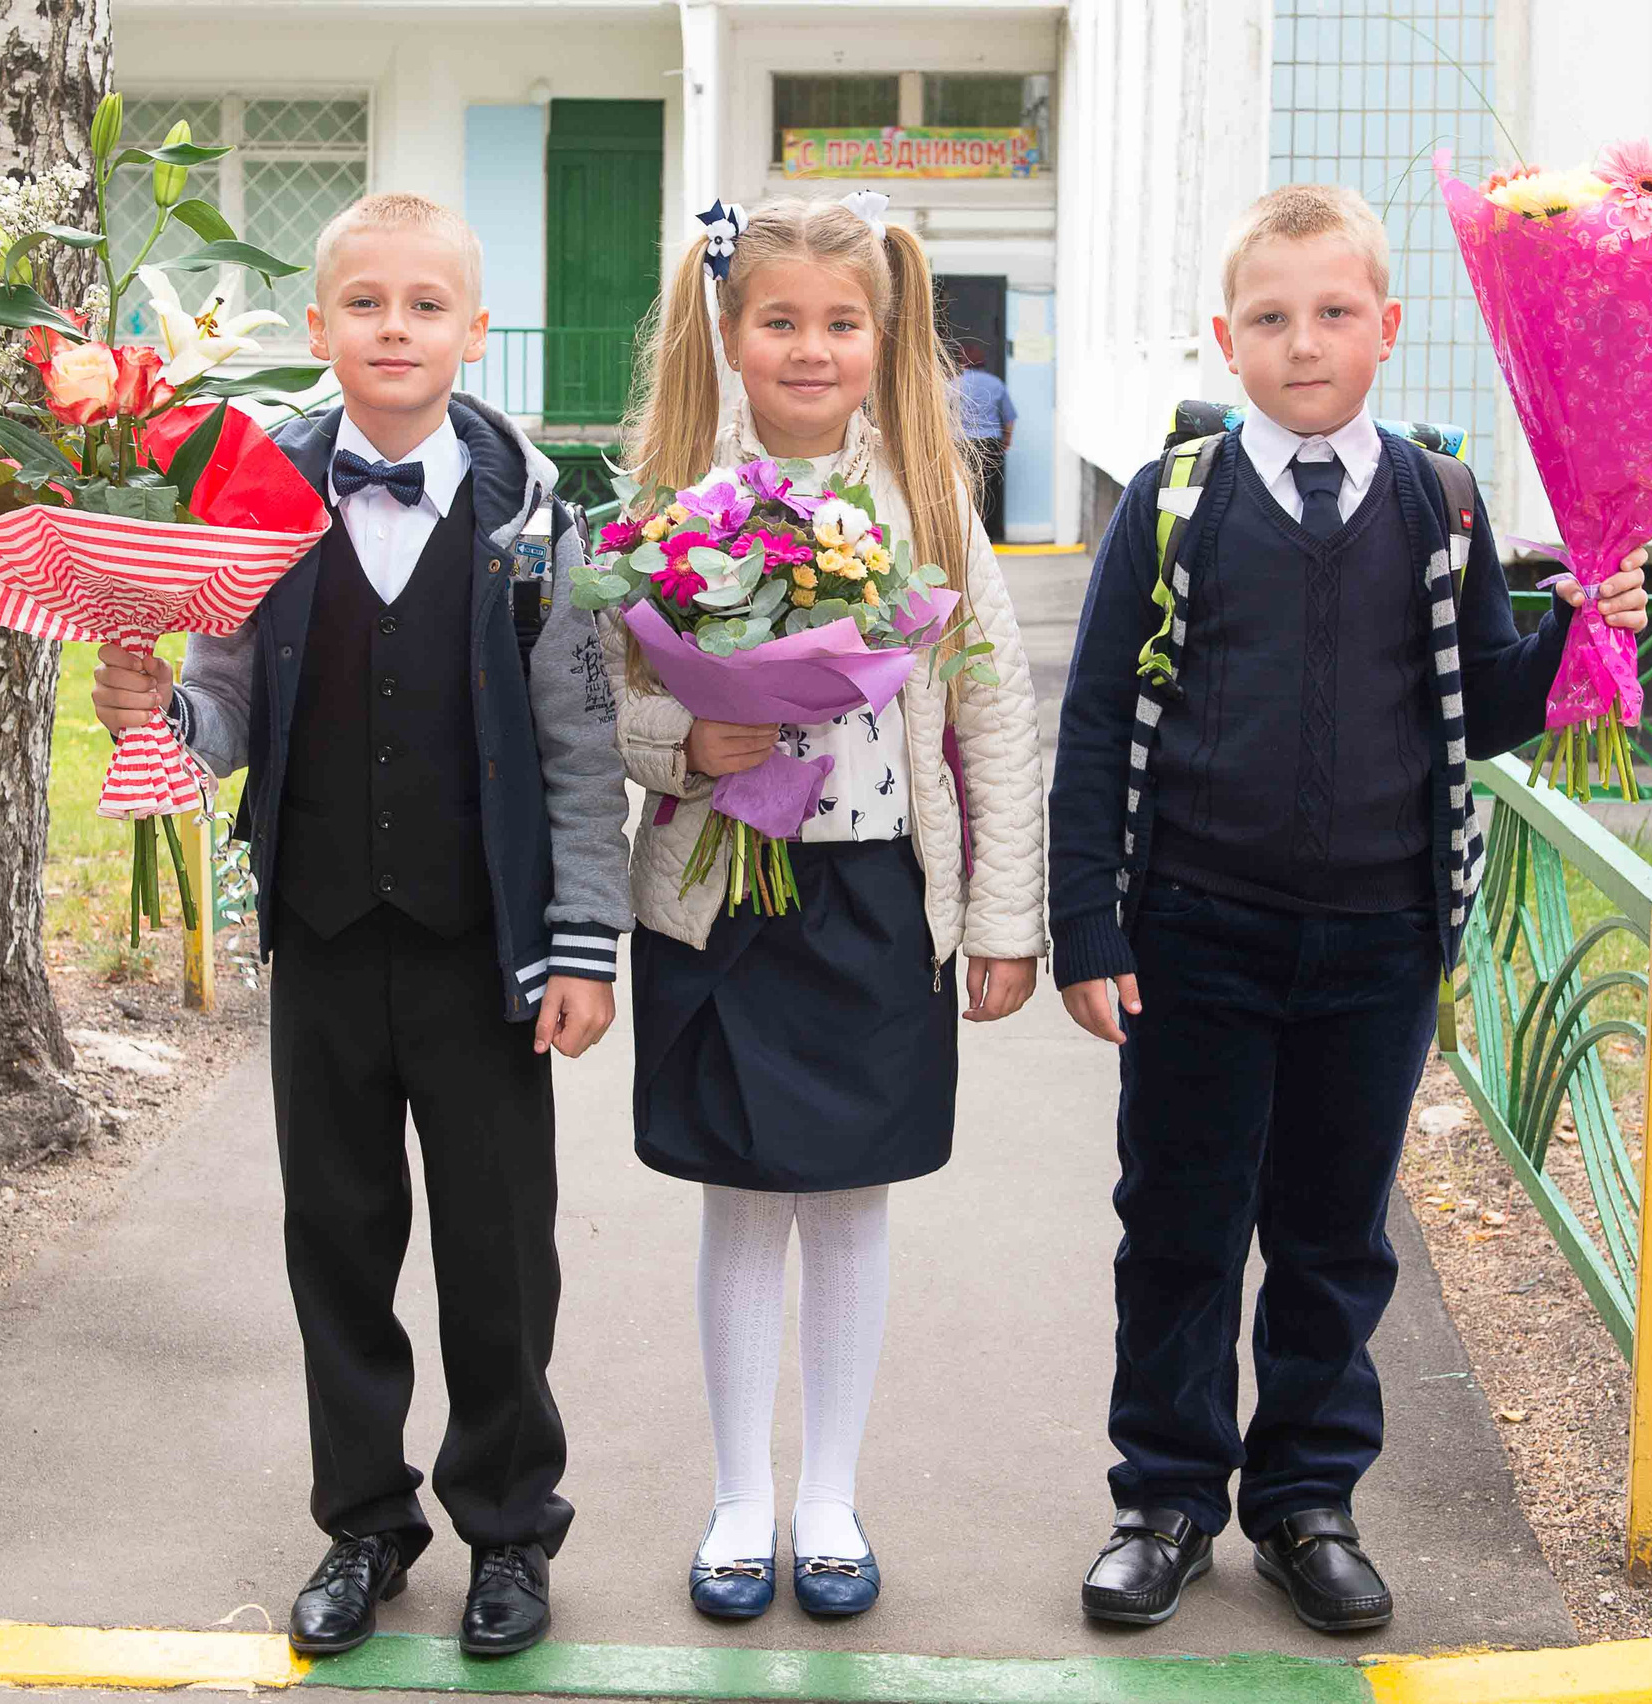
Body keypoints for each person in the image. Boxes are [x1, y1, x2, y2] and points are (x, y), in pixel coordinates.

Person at [1047, 184, 1651, 1636]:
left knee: (1332, 1235)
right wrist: (1091, 926)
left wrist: (1581, 626)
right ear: (1226, 338)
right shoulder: (1174, 503)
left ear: (1387, 329)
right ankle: (1168, 1497)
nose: (1302, 342)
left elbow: (1486, 709)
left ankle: (1309, 1501)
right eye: (1270, 318)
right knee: (1181, 1223)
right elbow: (1091, 720)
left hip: (1379, 944)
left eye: (1332, 315)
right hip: (1196, 931)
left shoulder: (1439, 503)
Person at [88, 192, 630, 1661]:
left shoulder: (538, 522)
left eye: (427, 305)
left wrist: (584, 942)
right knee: (335, 1236)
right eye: (366, 305)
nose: (397, 329)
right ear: (320, 328)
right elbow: (225, 709)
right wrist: (153, 711)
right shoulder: (251, 505)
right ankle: (364, 1525)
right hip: (323, 936)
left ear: (473, 327)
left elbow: (580, 746)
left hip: (483, 952)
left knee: (501, 1250)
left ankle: (510, 1529)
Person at [607, 195, 1045, 1620]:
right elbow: (608, 695)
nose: (810, 349)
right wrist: (691, 745)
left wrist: (999, 920)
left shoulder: (924, 495)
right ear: (731, 333)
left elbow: (992, 713)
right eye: (780, 322)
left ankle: (833, 1499)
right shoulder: (672, 486)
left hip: (873, 898)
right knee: (742, 1196)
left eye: (840, 324)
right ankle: (741, 1502)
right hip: (724, 899)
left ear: (882, 335)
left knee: (850, 1199)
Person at [953, 339, 1016, 542]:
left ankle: (967, 534)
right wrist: (1006, 440)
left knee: (964, 488)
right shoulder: (996, 383)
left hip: (962, 444)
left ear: (962, 361)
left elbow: (943, 416)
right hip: (990, 442)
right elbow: (1009, 417)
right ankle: (991, 533)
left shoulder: (953, 385)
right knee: (991, 489)